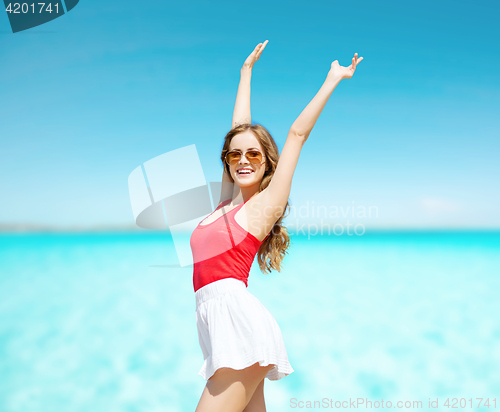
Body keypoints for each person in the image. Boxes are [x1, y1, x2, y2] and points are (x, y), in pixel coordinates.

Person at [190, 40, 363, 412]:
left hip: (240, 327)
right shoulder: (224, 202)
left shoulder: (263, 208)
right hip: (217, 327)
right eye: (235, 154)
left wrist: (334, 78)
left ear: (268, 162)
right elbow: (238, 128)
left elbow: (297, 135)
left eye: (253, 153)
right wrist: (245, 73)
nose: (243, 160)